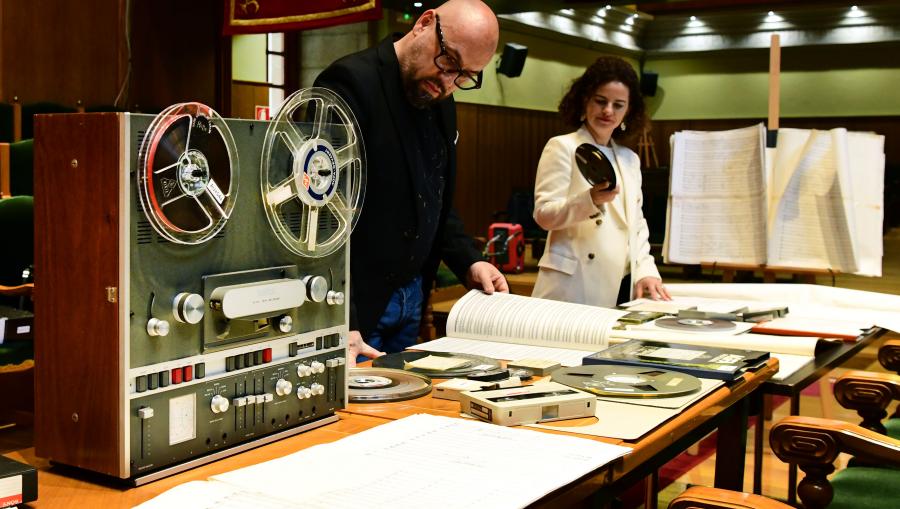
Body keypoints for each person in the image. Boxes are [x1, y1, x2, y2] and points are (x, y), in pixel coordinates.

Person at [314, 0, 508, 366]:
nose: (448, 82)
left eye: (465, 76)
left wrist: (469, 261)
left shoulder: (440, 96)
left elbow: (434, 197)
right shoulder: (350, 82)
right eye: (448, 62)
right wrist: (342, 320)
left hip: (412, 296)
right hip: (359, 301)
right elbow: (322, 213)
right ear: (424, 23)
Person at [531, 56, 670, 308]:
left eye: (618, 105)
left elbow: (636, 225)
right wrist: (589, 200)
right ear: (584, 101)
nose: (608, 111)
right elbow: (544, 215)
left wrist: (646, 270)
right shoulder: (562, 146)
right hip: (573, 286)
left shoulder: (630, 159)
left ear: (628, 111)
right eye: (601, 101)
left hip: (621, 284)